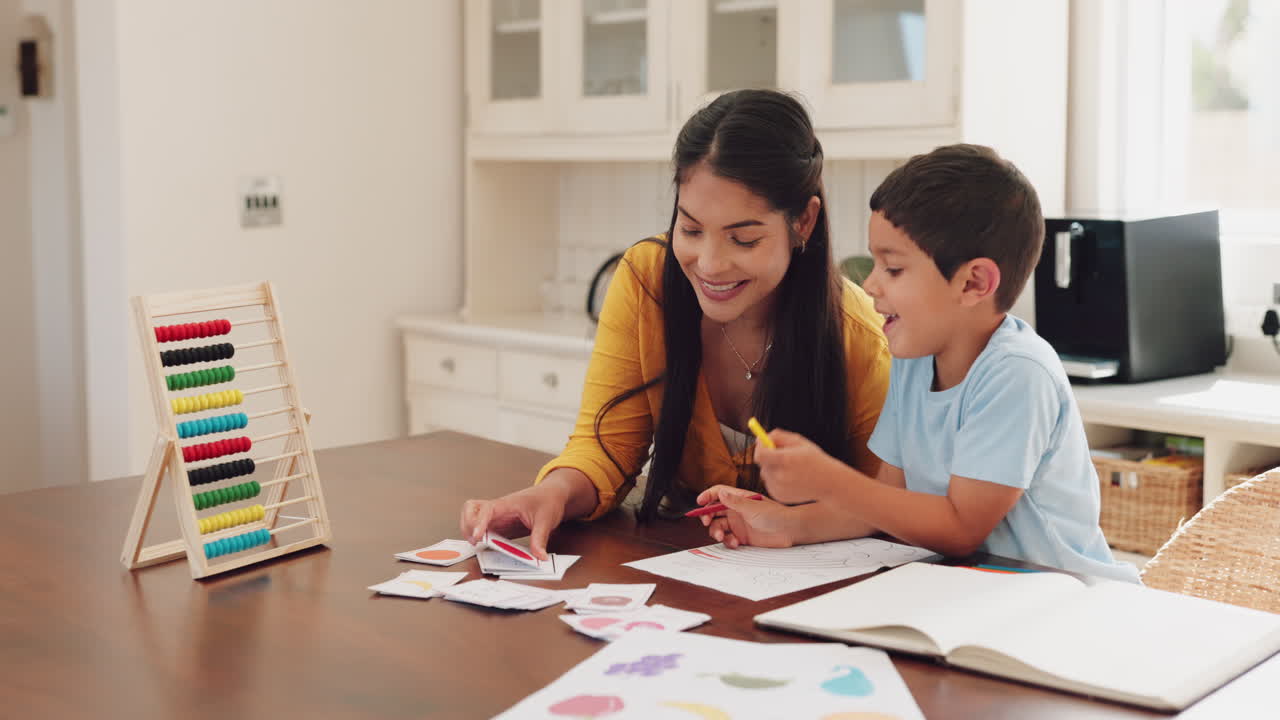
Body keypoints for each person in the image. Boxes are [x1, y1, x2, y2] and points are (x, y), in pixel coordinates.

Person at [459, 89, 891, 559]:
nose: (709, 264)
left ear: (803, 221)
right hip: (685, 568)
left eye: (743, 239)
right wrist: (550, 495)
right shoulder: (646, 281)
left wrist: (795, 524)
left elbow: (892, 504)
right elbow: (606, 447)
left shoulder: (859, 336)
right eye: (690, 229)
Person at [702, 143, 1140, 583]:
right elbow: (886, 502)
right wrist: (786, 524)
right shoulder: (914, 358)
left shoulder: (1018, 372)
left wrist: (828, 480)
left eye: (893, 269)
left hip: (1070, 600)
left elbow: (960, 529)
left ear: (973, 283)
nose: (870, 285)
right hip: (977, 594)